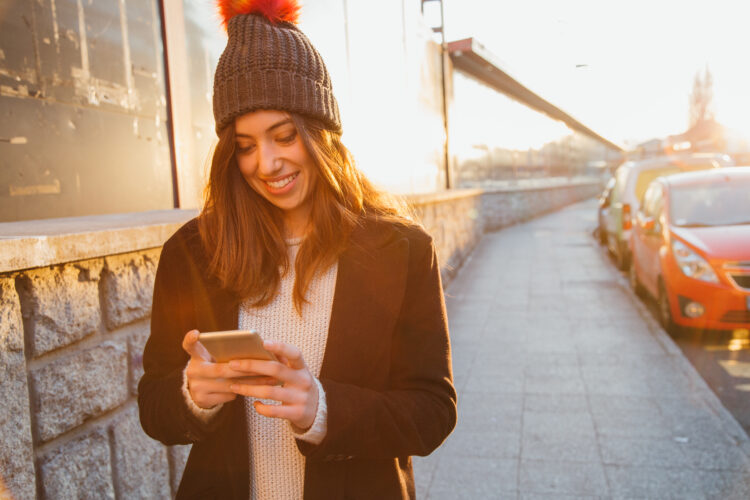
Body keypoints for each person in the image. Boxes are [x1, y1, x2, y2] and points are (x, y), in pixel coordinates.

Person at [137, 1, 457, 499]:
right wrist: (191, 396)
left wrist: (324, 410)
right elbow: (155, 405)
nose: (266, 163)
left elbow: (433, 410)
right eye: (244, 145)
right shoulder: (194, 252)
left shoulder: (402, 250)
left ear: (322, 133)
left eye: (284, 136)